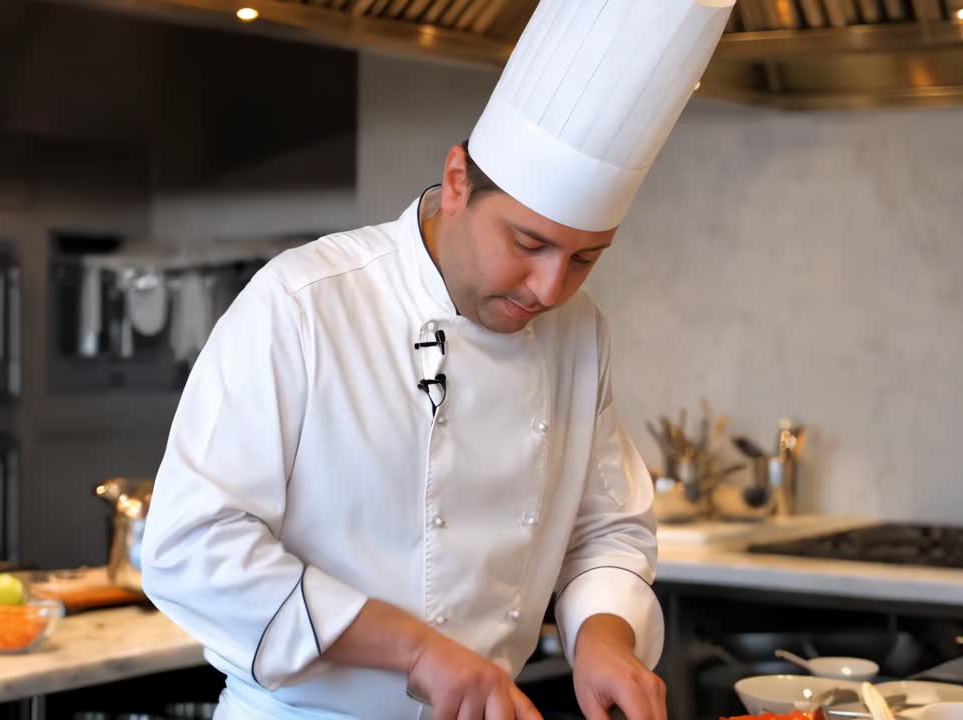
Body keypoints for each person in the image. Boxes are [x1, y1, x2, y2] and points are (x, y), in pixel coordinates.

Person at [140, 1, 734, 718]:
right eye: (528, 244)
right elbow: (191, 549)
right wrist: (416, 649)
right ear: (457, 182)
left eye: (585, 258)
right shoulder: (304, 303)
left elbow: (605, 528)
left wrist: (602, 639)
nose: (550, 288)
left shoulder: (579, 331)